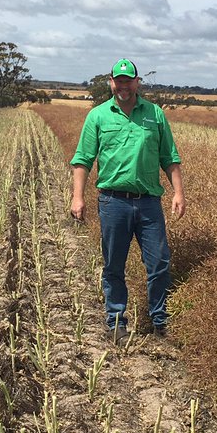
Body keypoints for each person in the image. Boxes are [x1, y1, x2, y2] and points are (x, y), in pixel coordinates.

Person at [70, 58, 185, 342]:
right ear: (111, 82)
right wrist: (77, 197)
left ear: (137, 82)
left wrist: (178, 192)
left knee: (159, 263)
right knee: (114, 266)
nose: (123, 86)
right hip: (113, 203)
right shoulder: (98, 116)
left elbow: (169, 157)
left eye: (128, 81)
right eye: (118, 81)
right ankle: (116, 323)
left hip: (149, 203)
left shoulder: (155, 114)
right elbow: (83, 160)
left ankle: (159, 322)